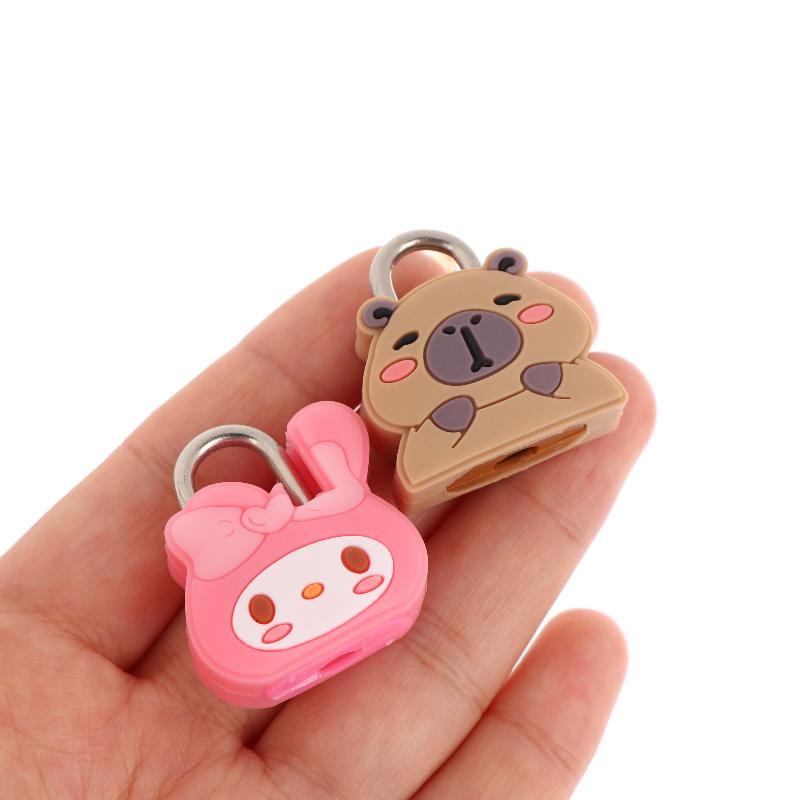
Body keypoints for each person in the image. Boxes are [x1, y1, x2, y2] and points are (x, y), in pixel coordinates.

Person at [0, 249, 655, 799]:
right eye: (263, 608)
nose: (313, 597)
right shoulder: (287, 526)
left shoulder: (338, 501)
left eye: (351, 562)